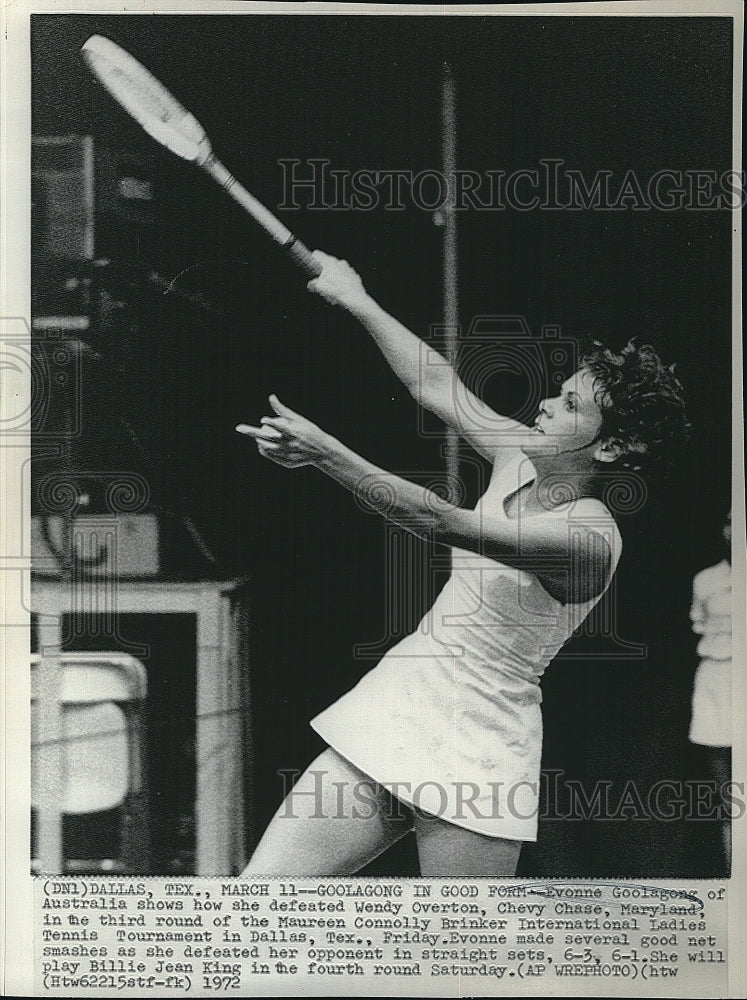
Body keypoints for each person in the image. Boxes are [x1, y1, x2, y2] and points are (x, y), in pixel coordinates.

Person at [236, 250, 688, 876]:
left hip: (480, 749)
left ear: (610, 446)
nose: (550, 405)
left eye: (573, 406)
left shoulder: (588, 539)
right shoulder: (521, 454)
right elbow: (434, 383)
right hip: (400, 707)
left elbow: (440, 521)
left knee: (460, 959)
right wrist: (356, 296)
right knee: (256, 901)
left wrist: (326, 454)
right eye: (560, 392)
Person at [689, 512, 732, 871]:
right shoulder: (705, 580)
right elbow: (697, 624)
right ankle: (732, 861)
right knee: (725, 788)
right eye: (728, 521)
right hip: (716, 677)